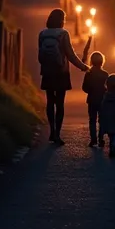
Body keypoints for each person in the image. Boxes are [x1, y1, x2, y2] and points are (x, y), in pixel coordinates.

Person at [38, 8, 88, 145]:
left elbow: (40, 55)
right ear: (62, 20)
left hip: (47, 72)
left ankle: (52, 131)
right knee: (59, 104)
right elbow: (70, 55)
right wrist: (83, 67)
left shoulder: (42, 34)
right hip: (61, 72)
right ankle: (57, 134)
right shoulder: (63, 34)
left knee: (50, 102)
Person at [82, 51, 108, 148]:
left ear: (91, 61)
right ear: (102, 61)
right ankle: (101, 139)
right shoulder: (105, 74)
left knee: (92, 120)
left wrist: (91, 90)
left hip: (92, 100)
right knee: (102, 120)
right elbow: (108, 88)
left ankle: (93, 139)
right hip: (102, 100)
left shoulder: (89, 73)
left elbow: (84, 87)